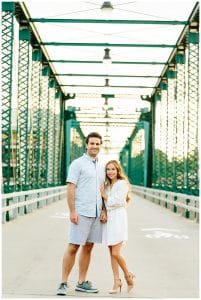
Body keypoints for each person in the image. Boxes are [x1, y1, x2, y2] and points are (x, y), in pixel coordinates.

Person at [57, 132, 107, 296]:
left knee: (89, 247)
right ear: (86, 145)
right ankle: (63, 282)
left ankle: (81, 282)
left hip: (96, 212)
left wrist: (104, 210)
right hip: (81, 212)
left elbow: (104, 190)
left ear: (100, 145)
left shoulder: (102, 166)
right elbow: (71, 187)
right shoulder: (77, 164)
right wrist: (72, 211)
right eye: (92, 143)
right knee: (73, 246)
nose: (94, 146)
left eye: (97, 144)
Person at [100, 160, 135, 294]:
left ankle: (128, 276)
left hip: (119, 218)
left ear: (118, 170)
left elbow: (119, 201)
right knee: (111, 253)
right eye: (108, 169)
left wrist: (104, 195)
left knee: (116, 252)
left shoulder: (122, 184)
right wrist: (103, 210)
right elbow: (106, 203)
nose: (110, 172)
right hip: (109, 219)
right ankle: (116, 281)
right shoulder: (107, 185)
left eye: (113, 169)